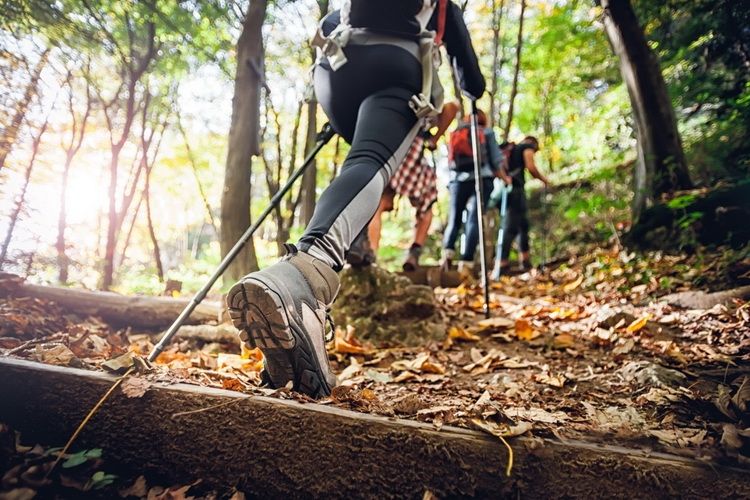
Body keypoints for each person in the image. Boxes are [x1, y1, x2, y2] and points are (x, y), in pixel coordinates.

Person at [226, 0, 485, 398]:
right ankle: (306, 278)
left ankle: (351, 249)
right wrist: (471, 90)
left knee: (358, 161)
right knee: (370, 162)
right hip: (393, 69)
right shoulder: (443, 6)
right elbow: (472, 80)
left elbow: (330, 22)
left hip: (334, 72)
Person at [364, 102, 459, 271]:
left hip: (388, 150)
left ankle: (371, 255)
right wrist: (435, 138)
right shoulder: (423, 99)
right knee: (426, 204)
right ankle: (414, 252)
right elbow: (453, 106)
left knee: (377, 205)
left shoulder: (388, 103)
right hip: (412, 152)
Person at [440, 110, 508, 278]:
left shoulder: (456, 132)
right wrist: (505, 178)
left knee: (454, 219)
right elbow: (495, 160)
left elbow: (448, 162)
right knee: (474, 219)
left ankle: (446, 256)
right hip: (482, 178)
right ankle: (466, 263)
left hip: (457, 180)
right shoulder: (486, 132)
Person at [492, 135, 550, 276]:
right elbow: (531, 167)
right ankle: (502, 264)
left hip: (506, 191)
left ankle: (525, 260)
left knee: (522, 225)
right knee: (510, 227)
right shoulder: (526, 147)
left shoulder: (511, 150)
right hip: (515, 191)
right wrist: (544, 180)